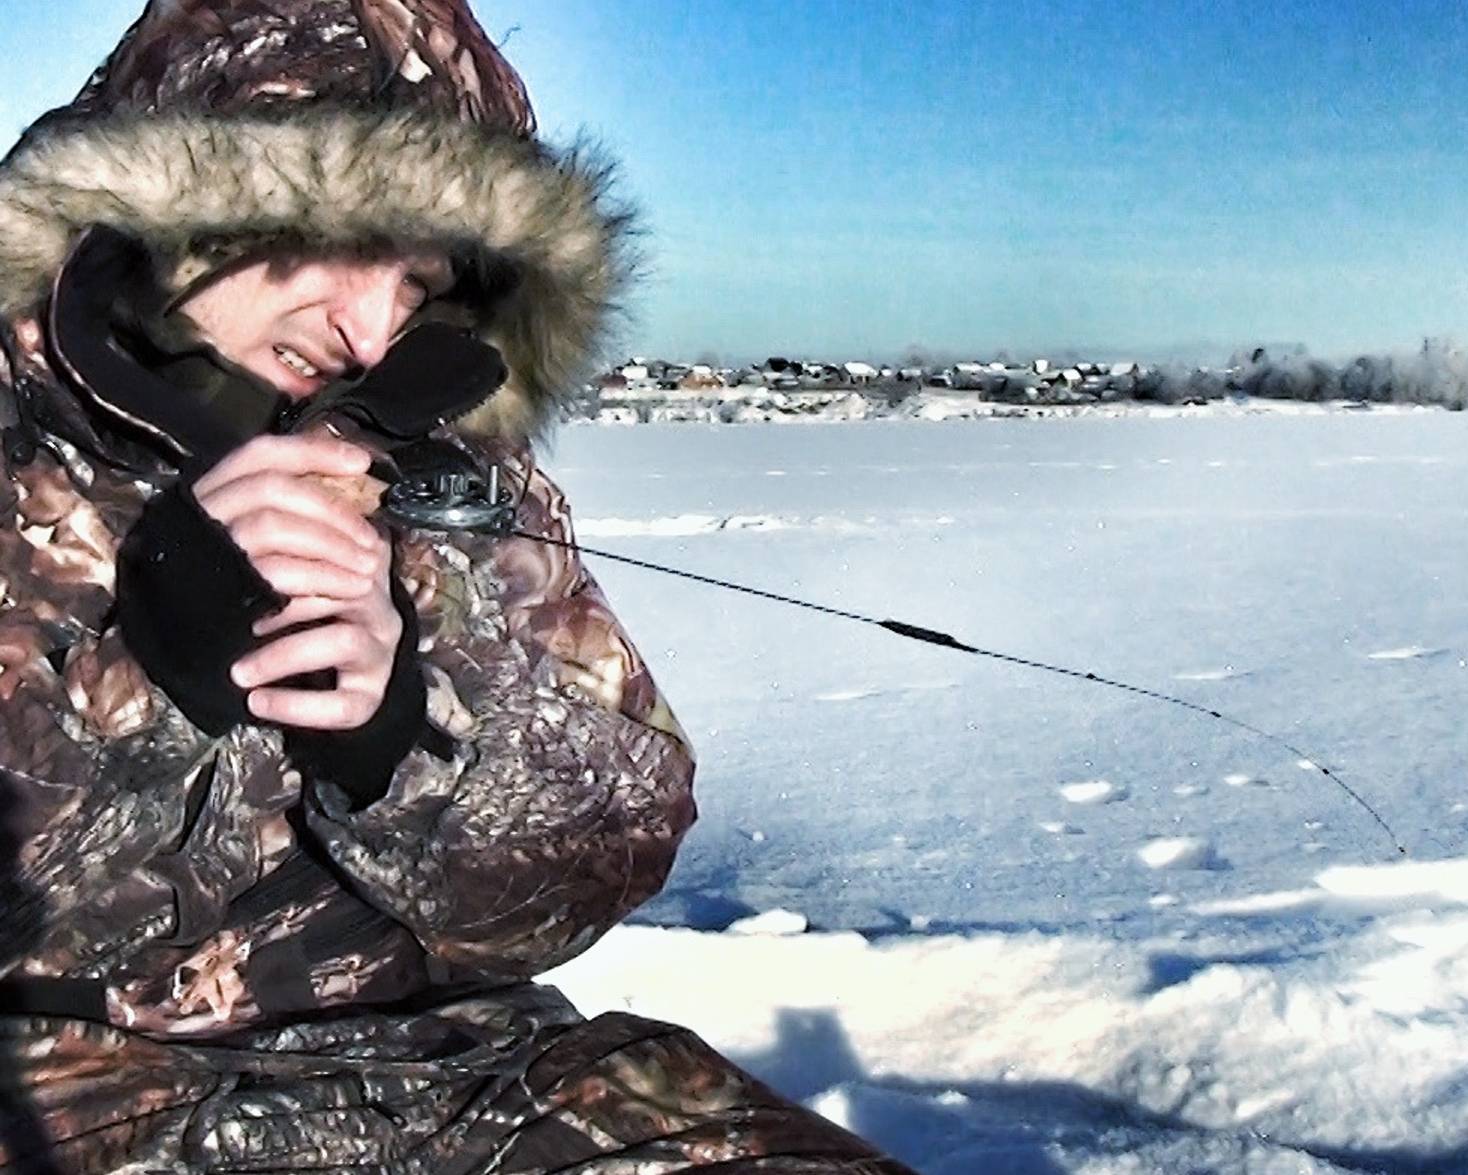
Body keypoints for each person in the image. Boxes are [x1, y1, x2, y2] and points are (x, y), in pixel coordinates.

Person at [0, 2, 915, 1171]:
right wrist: (147, 684)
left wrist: (400, 736)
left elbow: (608, 853)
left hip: (452, 1073)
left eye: (419, 279)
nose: (375, 330)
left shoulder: (437, 465)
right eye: (348, 244)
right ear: (192, 205)